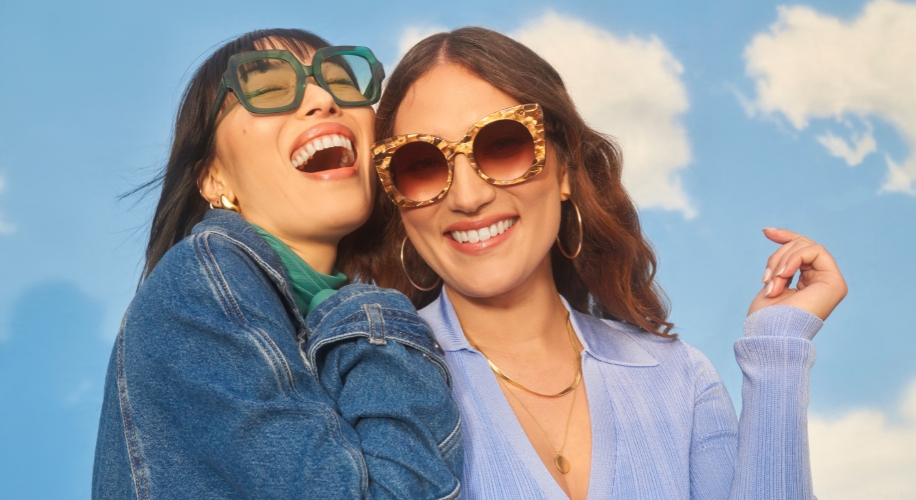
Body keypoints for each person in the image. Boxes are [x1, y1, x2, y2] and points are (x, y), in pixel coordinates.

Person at [364, 27, 848, 499]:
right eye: (420, 164)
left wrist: (777, 347)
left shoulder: (676, 377)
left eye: (503, 145)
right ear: (397, 200)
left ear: (566, 171)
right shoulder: (372, 378)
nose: (468, 198)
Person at [92, 29, 462, 499]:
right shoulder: (204, 282)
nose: (323, 100)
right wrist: (376, 319)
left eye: (341, 83)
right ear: (213, 177)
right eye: (267, 89)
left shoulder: (312, 313)